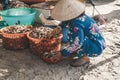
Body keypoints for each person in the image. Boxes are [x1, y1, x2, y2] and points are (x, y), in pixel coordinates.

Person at [40, 0, 106, 67]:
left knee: (74, 38)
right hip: (95, 41)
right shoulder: (77, 16)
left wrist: (62, 54)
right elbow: (65, 22)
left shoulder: (77, 23)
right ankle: (77, 51)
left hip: (95, 47)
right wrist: (59, 28)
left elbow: (77, 43)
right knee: (72, 35)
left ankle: (84, 58)